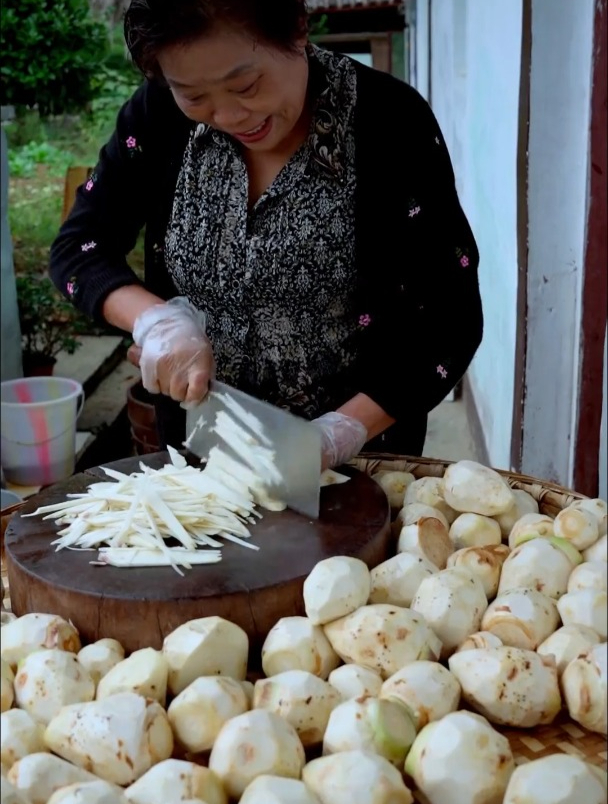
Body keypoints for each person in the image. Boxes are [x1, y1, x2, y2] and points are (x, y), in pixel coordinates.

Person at [49, 0, 483, 470]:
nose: (228, 115)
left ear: (297, 29)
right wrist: (155, 321)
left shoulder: (390, 121)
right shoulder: (157, 117)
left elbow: (449, 316)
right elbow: (81, 246)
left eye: (246, 86)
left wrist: (341, 432)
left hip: (359, 465)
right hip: (201, 460)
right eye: (194, 96)